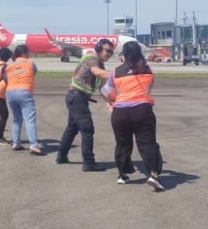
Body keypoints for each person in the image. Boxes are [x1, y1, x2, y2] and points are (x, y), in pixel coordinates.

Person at [100, 41, 165, 190]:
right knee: (147, 143)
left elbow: (107, 92)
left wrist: (114, 101)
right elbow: (148, 91)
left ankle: (122, 174)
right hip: (142, 109)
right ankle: (153, 174)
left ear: (124, 55)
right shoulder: (148, 70)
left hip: (120, 111)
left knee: (123, 143)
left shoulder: (116, 72)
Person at [56, 40, 113, 171]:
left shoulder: (100, 64)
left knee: (72, 127)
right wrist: (120, 74)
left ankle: (61, 155)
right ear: (99, 49)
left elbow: (101, 85)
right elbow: (98, 73)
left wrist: (108, 101)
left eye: (111, 52)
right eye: (107, 51)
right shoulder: (92, 59)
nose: (109, 54)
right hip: (77, 97)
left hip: (75, 97)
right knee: (87, 130)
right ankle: (88, 162)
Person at [6, 45, 43, 155]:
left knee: (16, 119)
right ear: (24, 53)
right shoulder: (30, 63)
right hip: (24, 90)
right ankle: (33, 144)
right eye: (28, 52)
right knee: (29, 119)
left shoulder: (9, 66)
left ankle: (16, 142)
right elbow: (33, 73)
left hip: (10, 91)